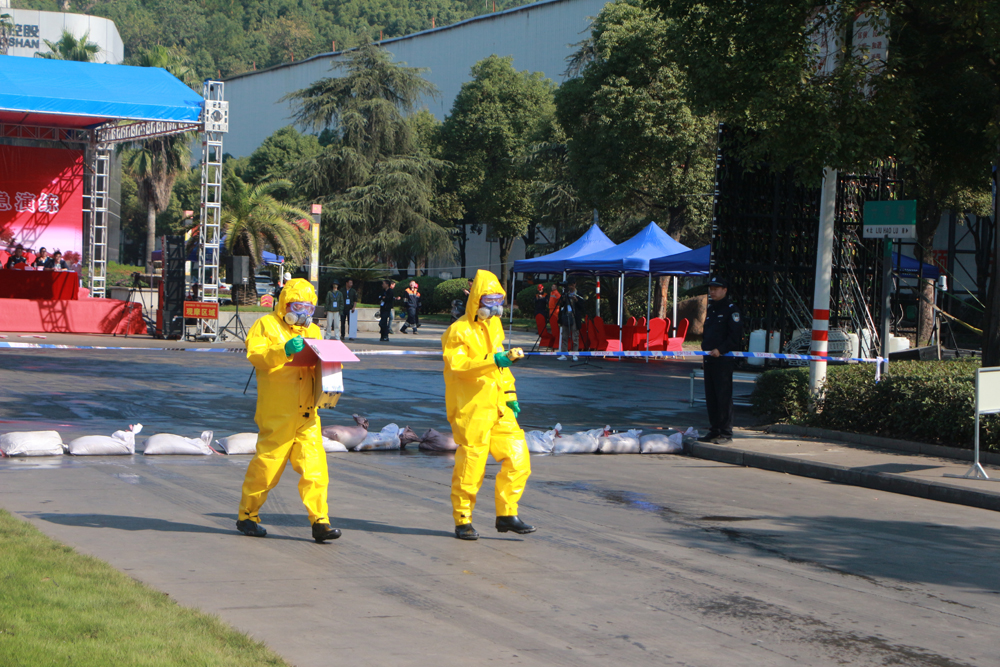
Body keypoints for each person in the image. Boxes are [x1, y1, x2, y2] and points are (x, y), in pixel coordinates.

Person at [236, 278, 341, 543]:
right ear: (285, 304)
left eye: (308, 307)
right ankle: (247, 515)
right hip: (278, 412)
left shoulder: (313, 331)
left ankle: (320, 521)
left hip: (307, 414)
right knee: (267, 467)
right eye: (298, 306)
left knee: (315, 469)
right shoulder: (266, 325)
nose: (304, 312)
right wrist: (283, 350)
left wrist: (332, 365)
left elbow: (318, 364)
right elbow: (257, 356)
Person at [442, 269, 535, 541]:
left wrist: (511, 394)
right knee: (471, 467)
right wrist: (495, 360)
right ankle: (463, 519)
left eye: (498, 300)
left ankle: (507, 514)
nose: (494, 307)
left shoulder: (494, 327)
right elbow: (459, 366)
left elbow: (502, 368)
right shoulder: (458, 331)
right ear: (476, 300)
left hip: (499, 406)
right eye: (489, 300)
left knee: (519, 460)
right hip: (471, 409)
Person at [698, 276, 743, 445]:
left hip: (723, 359)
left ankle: (725, 432)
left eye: (716, 289)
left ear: (725, 290)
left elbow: (735, 336)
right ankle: (715, 429)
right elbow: (708, 334)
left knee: (723, 396)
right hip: (709, 359)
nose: (712, 291)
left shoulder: (732, 310)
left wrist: (721, 349)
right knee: (711, 397)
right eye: (711, 288)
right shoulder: (712, 309)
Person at [557, 281, 584, 361]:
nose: (570, 287)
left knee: (575, 337)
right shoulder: (566, 293)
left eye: (572, 285)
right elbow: (560, 304)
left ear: (575, 284)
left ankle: (575, 354)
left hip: (574, 316)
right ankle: (564, 354)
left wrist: (576, 300)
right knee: (564, 336)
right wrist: (563, 299)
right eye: (569, 285)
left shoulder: (579, 294)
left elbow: (582, 306)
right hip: (566, 315)